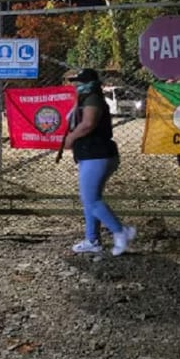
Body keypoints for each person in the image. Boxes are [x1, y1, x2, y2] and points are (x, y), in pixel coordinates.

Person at [64, 68, 136, 256]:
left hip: (96, 154)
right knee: (89, 200)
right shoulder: (86, 98)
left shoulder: (92, 99)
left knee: (92, 200)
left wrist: (71, 138)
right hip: (92, 154)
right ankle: (92, 240)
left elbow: (88, 123)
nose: (75, 85)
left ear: (89, 83)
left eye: (78, 81)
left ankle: (121, 231)